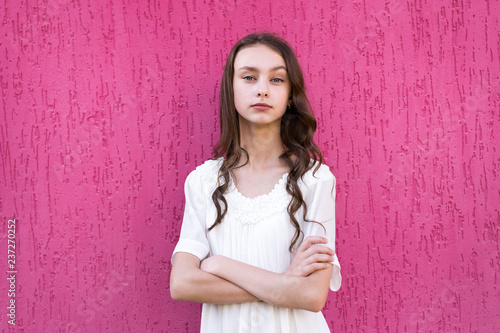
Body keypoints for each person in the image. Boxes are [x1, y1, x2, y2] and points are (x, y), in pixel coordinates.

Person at [170, 32, 341, 332]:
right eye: (249, 78)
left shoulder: (315, 180)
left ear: (290, 95)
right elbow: (182, 283)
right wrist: (284, 284)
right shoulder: (202, 182)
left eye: (276, 80)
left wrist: (221, 266)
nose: (262, 89)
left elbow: (312, 295)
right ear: (231, 89)